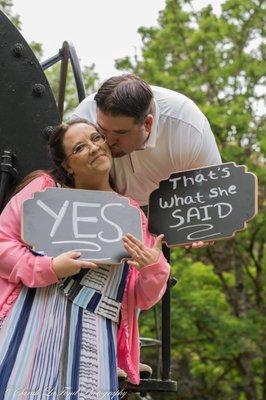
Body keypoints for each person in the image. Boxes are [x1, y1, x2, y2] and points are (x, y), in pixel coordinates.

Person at [0, 119, 170, 399]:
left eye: (96, 138)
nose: (93, 148)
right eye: (80, 147)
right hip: (32, 326)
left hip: (95, 338)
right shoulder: (44, 191)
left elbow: (141, 297)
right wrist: (49, 267)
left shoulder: (130, 215)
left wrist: (153, 267)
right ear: (67, 164)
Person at [72, 74, 222, 208]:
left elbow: (214, 192)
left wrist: (203, 231)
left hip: (174, 206)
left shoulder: (188, 126)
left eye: (121, 132)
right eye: (101, 130)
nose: (108, 142)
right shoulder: (83, 119)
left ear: (147, 124)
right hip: (105, 205)